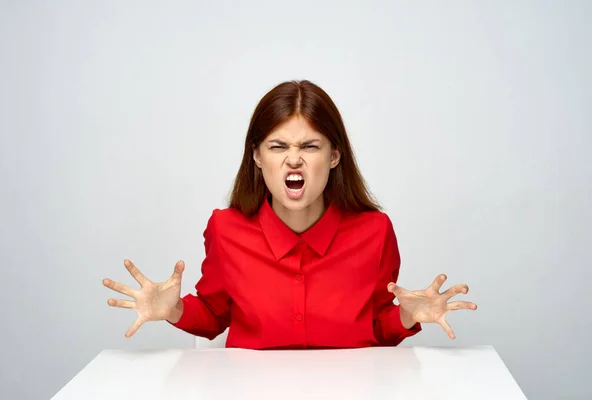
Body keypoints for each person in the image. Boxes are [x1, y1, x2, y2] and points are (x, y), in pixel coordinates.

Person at [103, 80, 477, 349]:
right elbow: (216, 317)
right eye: (278, 145)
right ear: (256, 156)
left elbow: (379, 327)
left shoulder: (375, 231)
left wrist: (409, 316)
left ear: (334, 157)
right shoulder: (226, 228)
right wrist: (176, 310)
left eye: (310, 146)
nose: (293, 158)